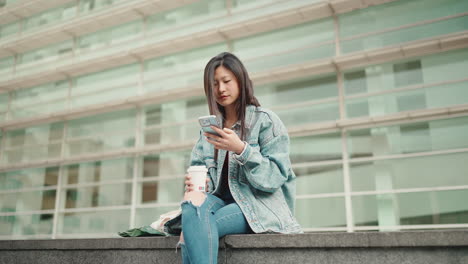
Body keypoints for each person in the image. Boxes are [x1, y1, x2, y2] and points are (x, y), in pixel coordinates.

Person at [178, 52, 302, 264]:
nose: (221, 89)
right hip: (217, 203)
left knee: (196, 228)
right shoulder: (209, 130)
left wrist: (242, 150)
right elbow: (199, 173)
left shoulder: (266, 121)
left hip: (256, 205)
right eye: (214, 84)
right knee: (191, 207)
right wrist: (198, 183)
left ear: (240, 81)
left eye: (226, 81)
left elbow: (275, 177)